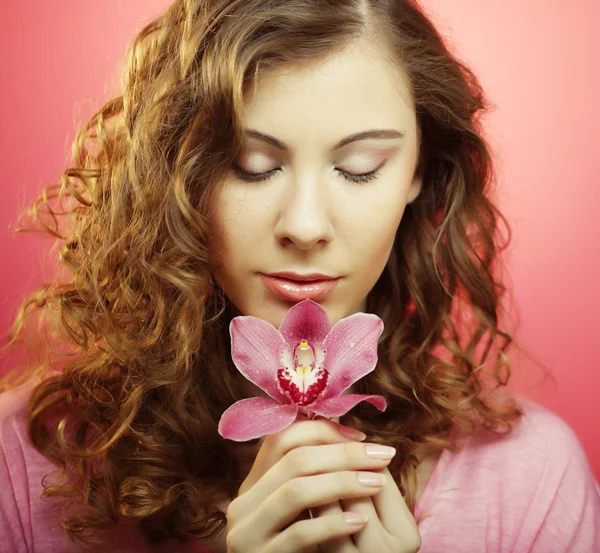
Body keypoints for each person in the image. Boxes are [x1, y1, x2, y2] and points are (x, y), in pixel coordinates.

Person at [1, 0, 598, 551]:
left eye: (359, 168)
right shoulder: (21, 463)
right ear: (179, 173)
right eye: (252, 166)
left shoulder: (532, 480)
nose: (306, 225)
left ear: (420, 169)